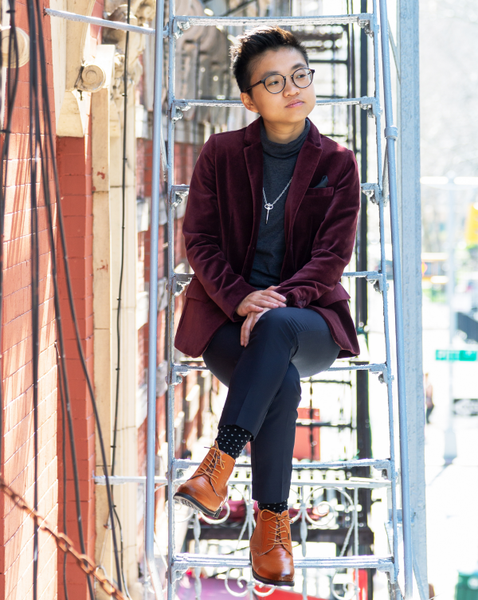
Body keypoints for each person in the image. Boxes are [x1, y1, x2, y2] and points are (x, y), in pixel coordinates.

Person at [173, 26, 360, 587]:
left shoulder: (338, 162)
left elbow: (333, 256)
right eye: (274, 82)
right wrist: (238, 296)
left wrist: (277, 301)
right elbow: (199, 241)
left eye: (300, 76)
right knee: (280, 386)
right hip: (230, 322)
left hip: (309, 319)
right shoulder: (222, 154)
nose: (292, 89)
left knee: (278, 330)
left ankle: (219, 465)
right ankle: (270, 527)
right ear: (248, 98)